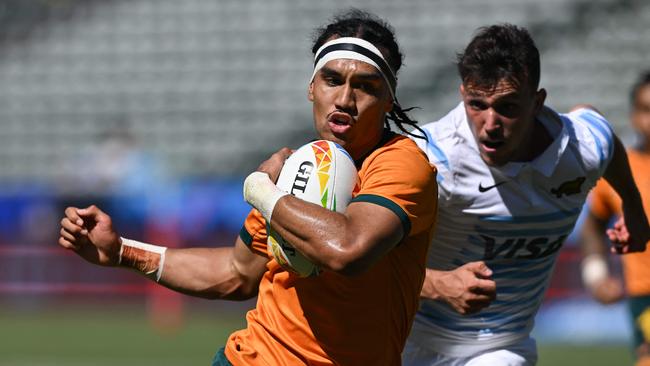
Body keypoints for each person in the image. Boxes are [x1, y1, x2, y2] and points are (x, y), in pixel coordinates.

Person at [58, 9, 438, 366]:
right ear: (311, 88)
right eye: (332, 80)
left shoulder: (400, 164)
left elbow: (347, 250)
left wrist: (260, 188)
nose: (344, 99)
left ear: (389, 100)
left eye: (366, 86)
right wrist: (123, 251)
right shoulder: (295, 170)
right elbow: (237, 272)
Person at [404, 24, 650, 365]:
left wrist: (633, 208)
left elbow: (605, 140)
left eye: (507, 107)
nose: (490, 123)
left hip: (500, 347)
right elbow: (364, 261)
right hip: (405, 337)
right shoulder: (429, 160)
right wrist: (437, 284)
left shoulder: (580, 148)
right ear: (463, 94)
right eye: (477, 104)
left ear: (537, 102)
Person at [579, 71, 650, 366]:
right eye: (647, 110)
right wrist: (596, 275)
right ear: (634, 115)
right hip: (645, 298)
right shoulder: (620, 172)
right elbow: (594, 225)